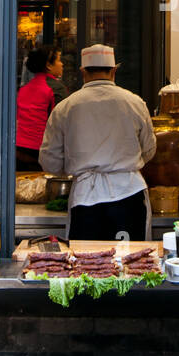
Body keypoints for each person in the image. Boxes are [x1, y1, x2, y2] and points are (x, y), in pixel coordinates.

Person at [39, 43, 157, 241]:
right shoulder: (135, 102)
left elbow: (49, 160)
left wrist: (71, 170)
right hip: (129, 192)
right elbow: (149, 149)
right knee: (131, 263)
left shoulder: (66, 107)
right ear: (114, 70)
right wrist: (123, 165)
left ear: (83, 71)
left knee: (86, 264)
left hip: (86, 197)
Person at [16, 46, 61, 171]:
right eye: (58, 60)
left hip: (19, 150)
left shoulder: (24, 89)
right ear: (49, 65)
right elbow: (61, 122)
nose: (61, 64)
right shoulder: (55, 88)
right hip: (41, 151)